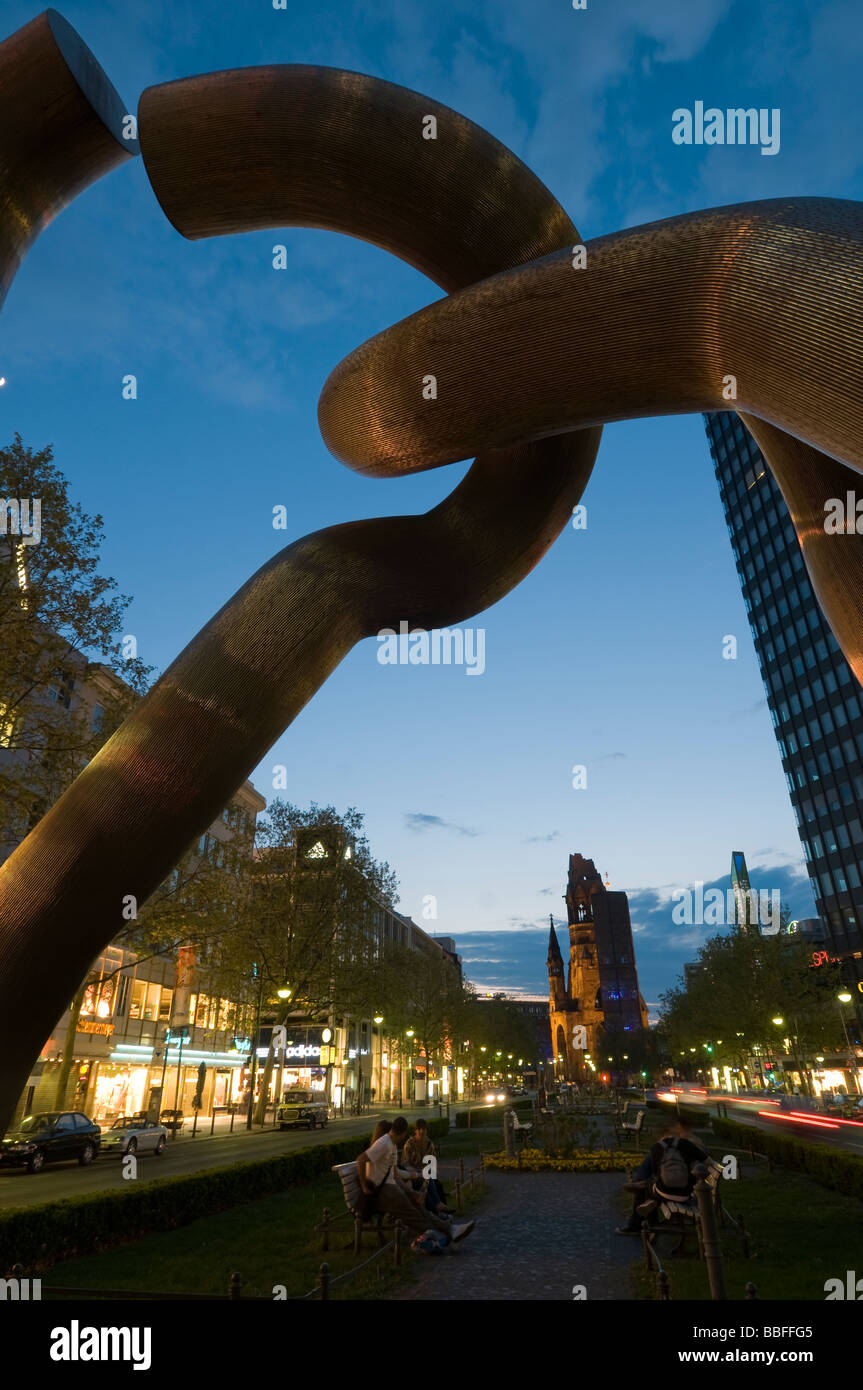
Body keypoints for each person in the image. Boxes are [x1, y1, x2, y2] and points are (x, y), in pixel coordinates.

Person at [357, 1115, 473, 1243]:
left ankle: (449, 1229)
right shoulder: (384, 1143)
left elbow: (395, 1176)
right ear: (403, 1132)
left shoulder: (392, 1146)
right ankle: (444, 1234)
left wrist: (413, 1193)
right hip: (382, 1191)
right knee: (413, 1214)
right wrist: (364, 1186)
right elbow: (361, 1159)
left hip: (392, 1188)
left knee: (419, 1208)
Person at [615, 1117, 707, 1235]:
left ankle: (642, 1222)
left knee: (646, 1188)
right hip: (686, 1193)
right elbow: (707, 1161)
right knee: (648, 1185)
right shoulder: (686, 1143)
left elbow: (656, 1174)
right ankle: (645, 1199)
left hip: (667, 1192)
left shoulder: (659, 1147)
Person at [403, 1118, 449, 1214]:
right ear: (415, 1130)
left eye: (424, 1129)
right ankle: (437, 1206)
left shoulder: (429, 1144)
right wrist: (417, 1172)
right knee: (427, 1181)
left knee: (436, 1183)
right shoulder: (409, 1144)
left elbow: (432, 1161)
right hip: (413, 1173)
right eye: (419, 1129)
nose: (422, 1131)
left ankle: (442, 1210)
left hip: (426, 1172)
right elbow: (405, 1163)